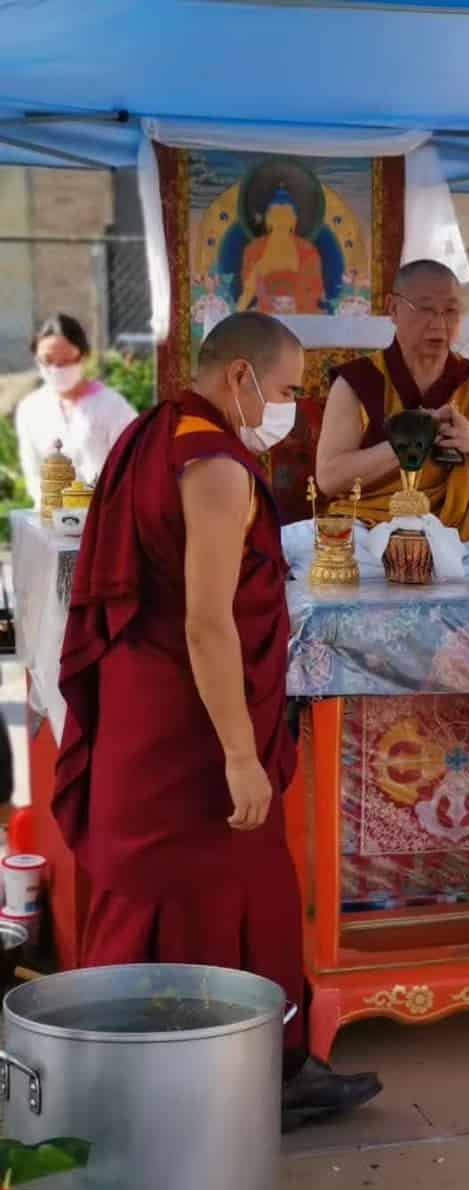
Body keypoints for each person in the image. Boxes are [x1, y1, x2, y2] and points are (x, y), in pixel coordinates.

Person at [52, 312, 381, 1129]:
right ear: (239, 377)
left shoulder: (155, 431)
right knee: (189, 890)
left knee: (222, 887)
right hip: (191, 718)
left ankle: (254, 1071)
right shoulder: (213, 465)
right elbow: (207, 619)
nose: (292, 408)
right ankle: (175, 1092)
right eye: (286, 390)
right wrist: (241, 755)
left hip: (151, 700)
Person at [316, 259, 469, 539]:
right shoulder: (358, 382)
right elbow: (329, 478)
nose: (439, 324)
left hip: (466, 527)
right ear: (393, 309)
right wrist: (409, 442)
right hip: (375, 525)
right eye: (425, 310)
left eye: (450, 311)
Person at [15, 314, 136, 506]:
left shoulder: (112, 406)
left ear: (83, 355)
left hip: (104, 516)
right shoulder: (30, 409)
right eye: (47, 361)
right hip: (50, 517)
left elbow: (134, 466)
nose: (56, 369)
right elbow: (32, 469)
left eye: (65, 361)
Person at [237, 186, 325, 316]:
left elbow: (314, 290)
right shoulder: (254, 249)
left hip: (301, 311)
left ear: (294, 221)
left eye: (286, 216)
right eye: (276, 216)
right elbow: (248, 291)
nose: (281, 222)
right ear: (268, 220)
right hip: (265, 314)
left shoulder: (307, 250)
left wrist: (293, 305)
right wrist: (260, 268)